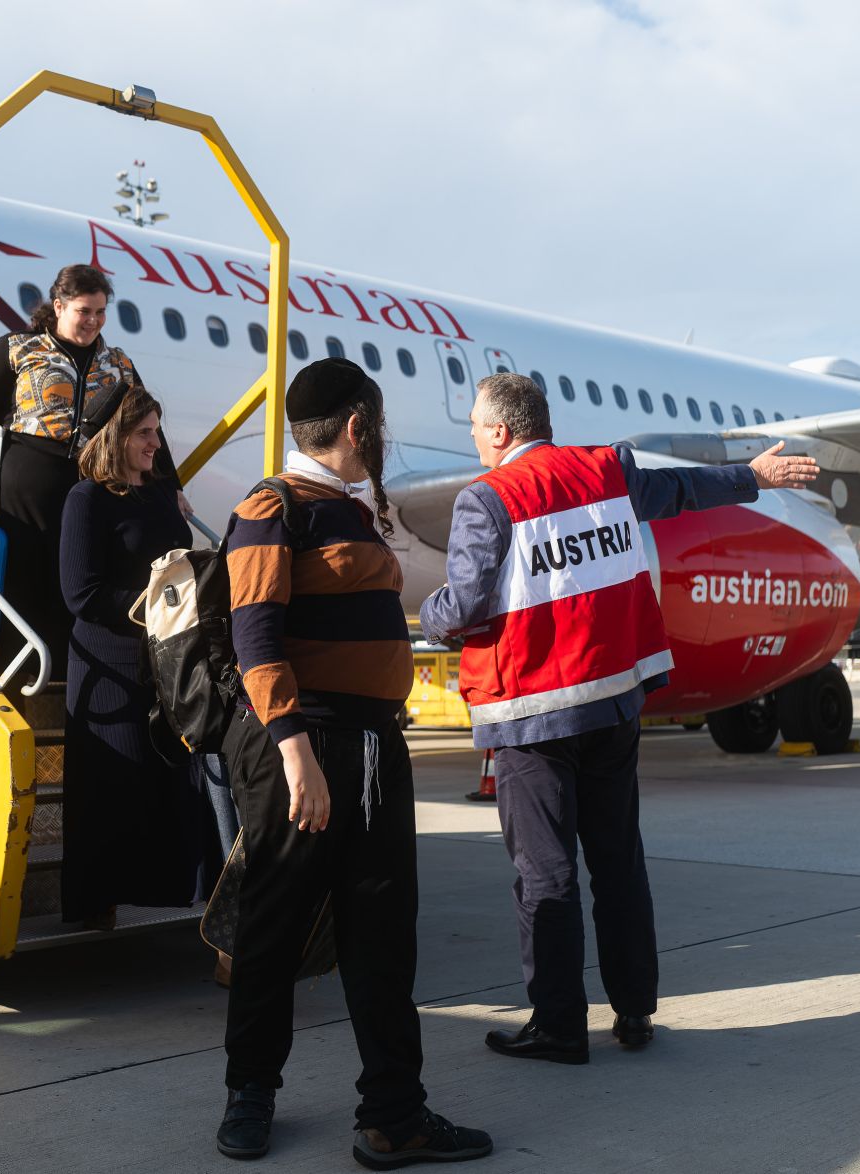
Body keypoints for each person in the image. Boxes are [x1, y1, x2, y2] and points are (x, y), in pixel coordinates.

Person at [418, 372, 818, 1064]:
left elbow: (465, 605)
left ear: (502, 432)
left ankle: (559, 1026)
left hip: (534, 718)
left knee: (546, 876)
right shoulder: (607, 470)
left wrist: (424, 613)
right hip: (612, 702)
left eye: (478, 427)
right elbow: (681, 491)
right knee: (618, 865)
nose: (475, 438)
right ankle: (634, 1012)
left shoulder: (486, 499)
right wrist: (751, 477)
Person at [215, 358, 491, 1169]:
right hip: (303, 748)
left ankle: (394, 1117)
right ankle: (250, 1094)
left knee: (383, 936)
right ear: (358, 425)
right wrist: (296, 752)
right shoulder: (273, 507)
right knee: (273, 930)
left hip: (374, 748)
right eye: (379, 423)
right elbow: (254, 636)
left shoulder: (355, 509)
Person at [0, 263, 177, 680]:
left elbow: (148, 424)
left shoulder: (118, 363)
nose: (93, 321)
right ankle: (15, 678)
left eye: (100, 311)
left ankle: (61, 680)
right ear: (58, 306)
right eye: (83, 311)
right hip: (26, 491)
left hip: (90, 491)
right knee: (23, 582)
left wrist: (172, 488)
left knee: (75, 583)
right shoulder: (19, 348)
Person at [57, 388, 217, 928]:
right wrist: (161, 607)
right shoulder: (86, 499)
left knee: (169, 781)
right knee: (111, 786)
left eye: (156, 431)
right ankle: (94, 903)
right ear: (117, 437)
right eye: (145, 433)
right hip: (111, 665)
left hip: (165, 658)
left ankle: (174, 892)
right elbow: (81, 594)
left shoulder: (161, 493)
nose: (156, 443)